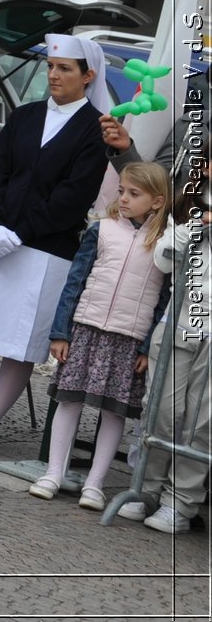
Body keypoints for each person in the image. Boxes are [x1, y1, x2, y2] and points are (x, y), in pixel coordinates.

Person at [0, 34, 111, 458]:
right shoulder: (25, 115)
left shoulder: (93, 132)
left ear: (87, 76)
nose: (54, 75)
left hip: (43, 250)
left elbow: (74, 196)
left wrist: (22, 232)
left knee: (20, 341)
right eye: (51, 67)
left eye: (64, 69)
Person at [32, 162, 171, 506]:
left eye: (133, 193)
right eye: (121, 190)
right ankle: (53, 472)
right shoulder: (103, 230)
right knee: (69, 399)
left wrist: (146, 345)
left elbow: (163, 300)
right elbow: (75, 282)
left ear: (157, 201)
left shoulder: (166, 242)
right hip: (86, 329)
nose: (123, 198)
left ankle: (95, 484)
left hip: (128, 338)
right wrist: (61, 332)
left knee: (114, 411)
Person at [119, 153, 210, 533]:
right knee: (161, 410)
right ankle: (147, 489)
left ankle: (181, 503)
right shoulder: (188, 198)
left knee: (202, 422)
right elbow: (164, 258)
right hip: (181, 320)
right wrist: (196, 226)